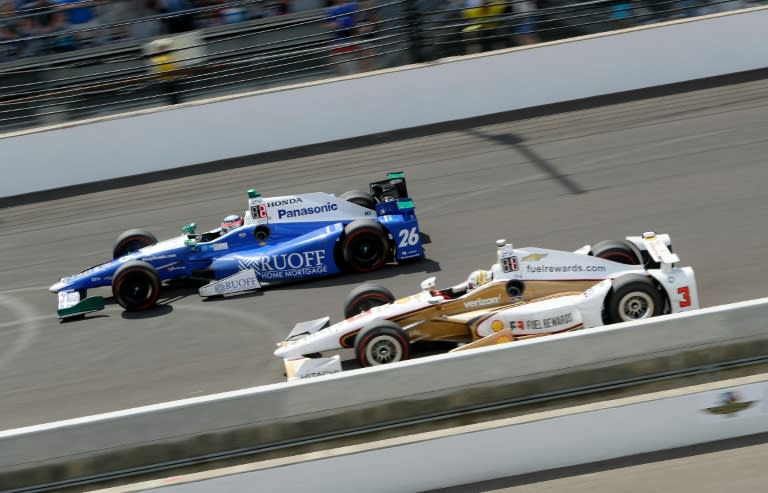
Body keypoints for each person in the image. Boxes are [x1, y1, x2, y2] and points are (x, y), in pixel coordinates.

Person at [326, 0, 359, 75]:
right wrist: (334, 25)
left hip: (351, 37)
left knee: (353, 64)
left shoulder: (352, 5)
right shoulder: (330, 10)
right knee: (340, 63)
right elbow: (328, 24)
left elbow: (357, 17)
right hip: (339, 39)